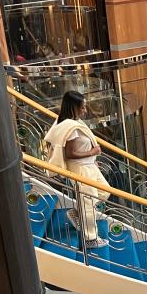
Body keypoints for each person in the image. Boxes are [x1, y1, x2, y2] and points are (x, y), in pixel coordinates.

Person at [44, 90, 110, 248]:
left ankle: (76, 213)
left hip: (89, 165)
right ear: (73, 107)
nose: (85, 111)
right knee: (88, 201)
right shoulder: (71, 127)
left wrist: (92, 158)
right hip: (81, 169)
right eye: (82, 108)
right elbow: (70, 154)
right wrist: (92, 152)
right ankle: (90, 238)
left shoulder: (73, 122)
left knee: (104, 191)